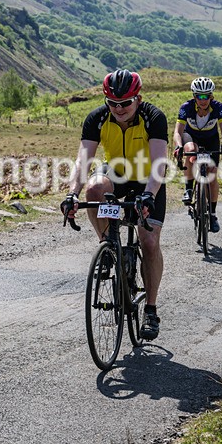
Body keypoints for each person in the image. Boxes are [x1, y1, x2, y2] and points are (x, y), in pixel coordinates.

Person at [61, 70, 168, 340]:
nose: (119, 109)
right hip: (116, 175)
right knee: (95, 187)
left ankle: (151, 310)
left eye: (125, 103)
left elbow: (159, 164)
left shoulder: (153, 118)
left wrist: (149, 196)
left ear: (138, 99)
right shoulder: (96, 119)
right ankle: (108, 246)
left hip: (147, 179)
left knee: (150, 242)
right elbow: (83, 160)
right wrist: (73, 194)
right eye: (113, 103)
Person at [172, 77, 222, 233]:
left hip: (211, 139)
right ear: (194, 96)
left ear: (211, 96)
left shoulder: (218, 108)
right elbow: (178, 132)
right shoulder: (186, 107)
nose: (203, 100)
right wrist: (178, 146)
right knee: (191, 150)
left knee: (212, 176)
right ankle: (189, 189)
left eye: (206, 96)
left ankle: (212, 214)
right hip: (191, 136)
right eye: (199, 96)